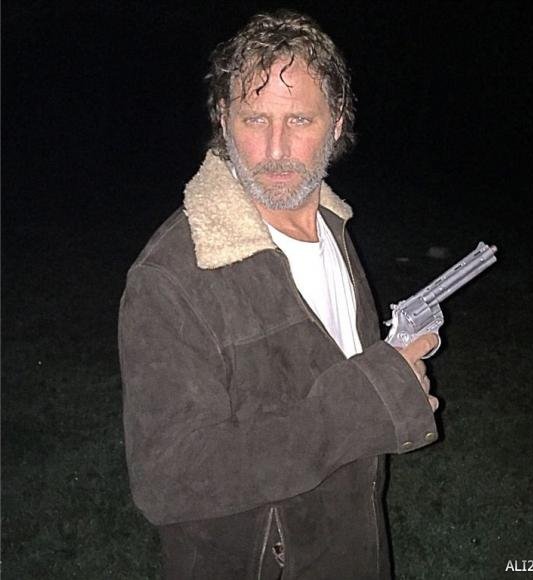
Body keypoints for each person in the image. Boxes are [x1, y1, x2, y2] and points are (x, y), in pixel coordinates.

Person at [119, 9, 440, 580]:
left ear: (337, 124)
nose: (274, 149)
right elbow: (167, 479)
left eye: (299, 119)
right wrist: (368, 404)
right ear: (224, 120)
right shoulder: (171, 277)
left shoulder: (333, 226)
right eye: (254, 118)